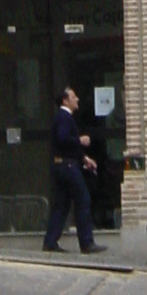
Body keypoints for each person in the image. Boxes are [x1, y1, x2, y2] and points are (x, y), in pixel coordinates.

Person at [42, 85, 105, 254]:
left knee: (61, 205)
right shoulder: (64, 117)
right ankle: (86, 243)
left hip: (62, 165)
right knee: (83, 199)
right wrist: (80, 140)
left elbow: (67, 147)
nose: (77, 99)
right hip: (68, 167)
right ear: (65, 100)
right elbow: (64, 140)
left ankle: (50, 242)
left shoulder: (63, 117)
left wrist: (85, 159)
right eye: (73, 96)